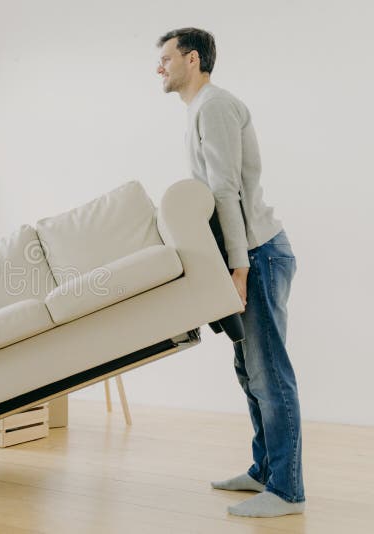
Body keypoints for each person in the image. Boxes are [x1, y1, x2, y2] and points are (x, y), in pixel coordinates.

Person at [156, 28, 304, 517]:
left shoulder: (215, 106)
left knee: (269, 372)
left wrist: (238, 268)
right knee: (249, 370)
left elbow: (226, 191)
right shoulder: (200, 110)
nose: (160, 68)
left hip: (257, 255)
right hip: (246, 257)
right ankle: (264, 470)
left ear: (191, 59)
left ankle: (286, 491)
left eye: (166, 58)